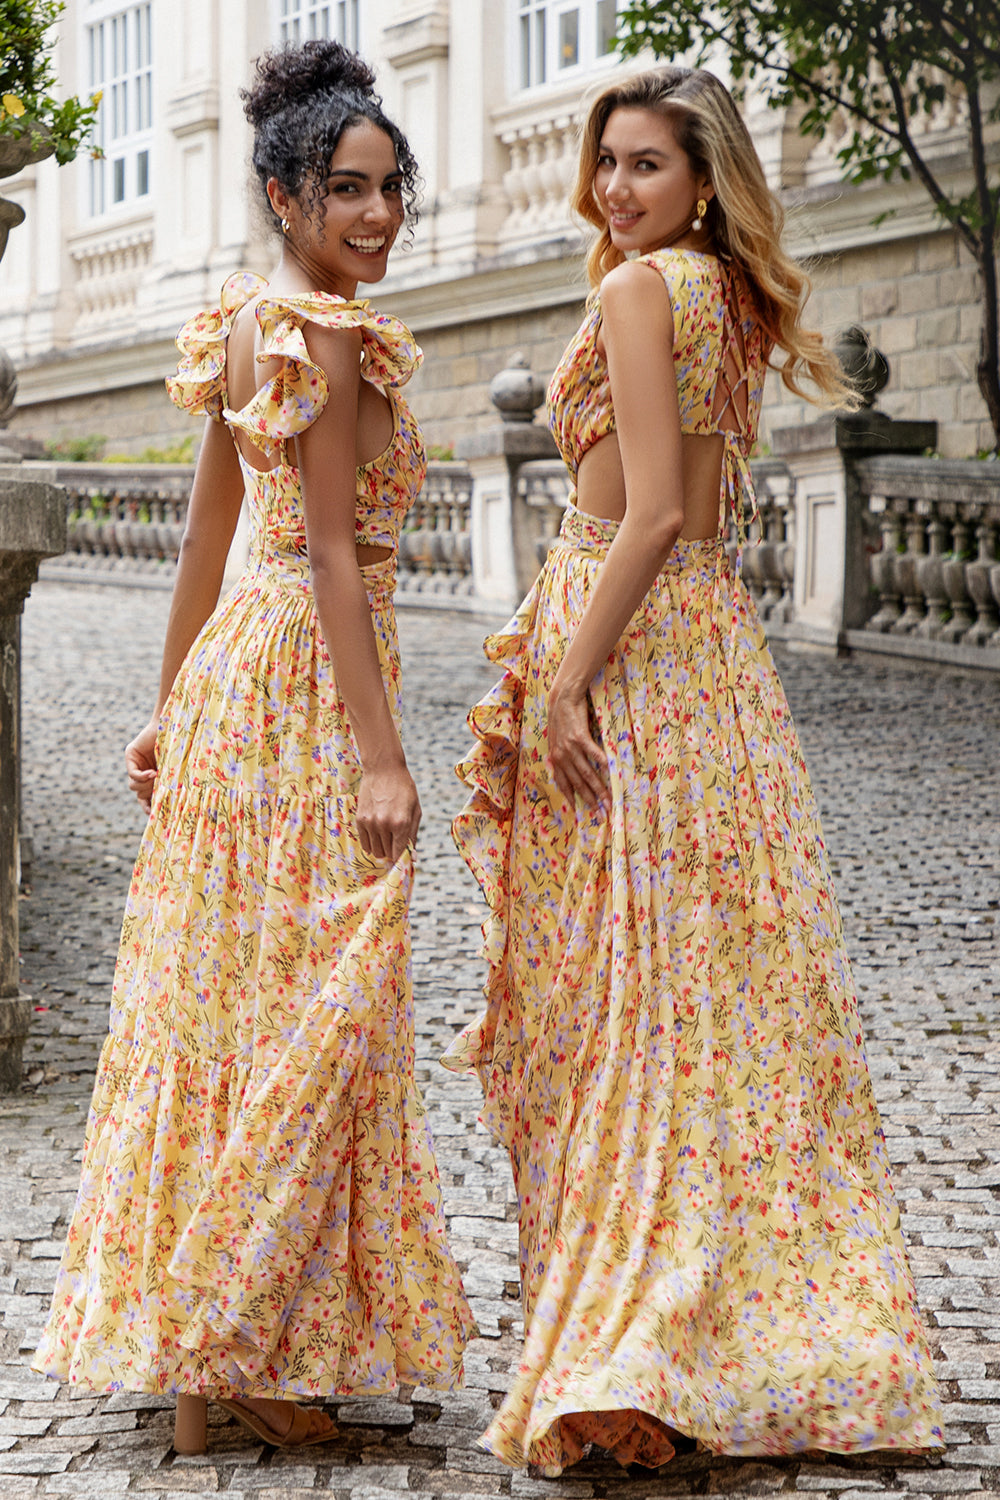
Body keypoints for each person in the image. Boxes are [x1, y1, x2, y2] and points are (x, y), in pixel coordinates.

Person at [442, 65, 943, 1476]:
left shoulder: (644, 291)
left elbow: (652, 510)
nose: (616, 189)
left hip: (642, 657)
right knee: (712, 1008)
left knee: (634, 1002)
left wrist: (569, 681)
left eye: (646, 166)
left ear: (703, 180)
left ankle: (636, 1346)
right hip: (719, 662)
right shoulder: (724, 293)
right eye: (607, 163)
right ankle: (705, 1327)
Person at [33, 39, 472, 1454]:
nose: (381, 215)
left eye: (393, 187)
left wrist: (169, 703)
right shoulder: (326, 339)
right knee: (309, 1009)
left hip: (240, 679)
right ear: (285, 196)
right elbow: (333, 556)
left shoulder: (239, 324)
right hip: (305, 688)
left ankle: (217, 1350)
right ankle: (249, 1338)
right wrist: (382, 757)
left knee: (229, 1004)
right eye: (350, 190)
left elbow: (208, 538)